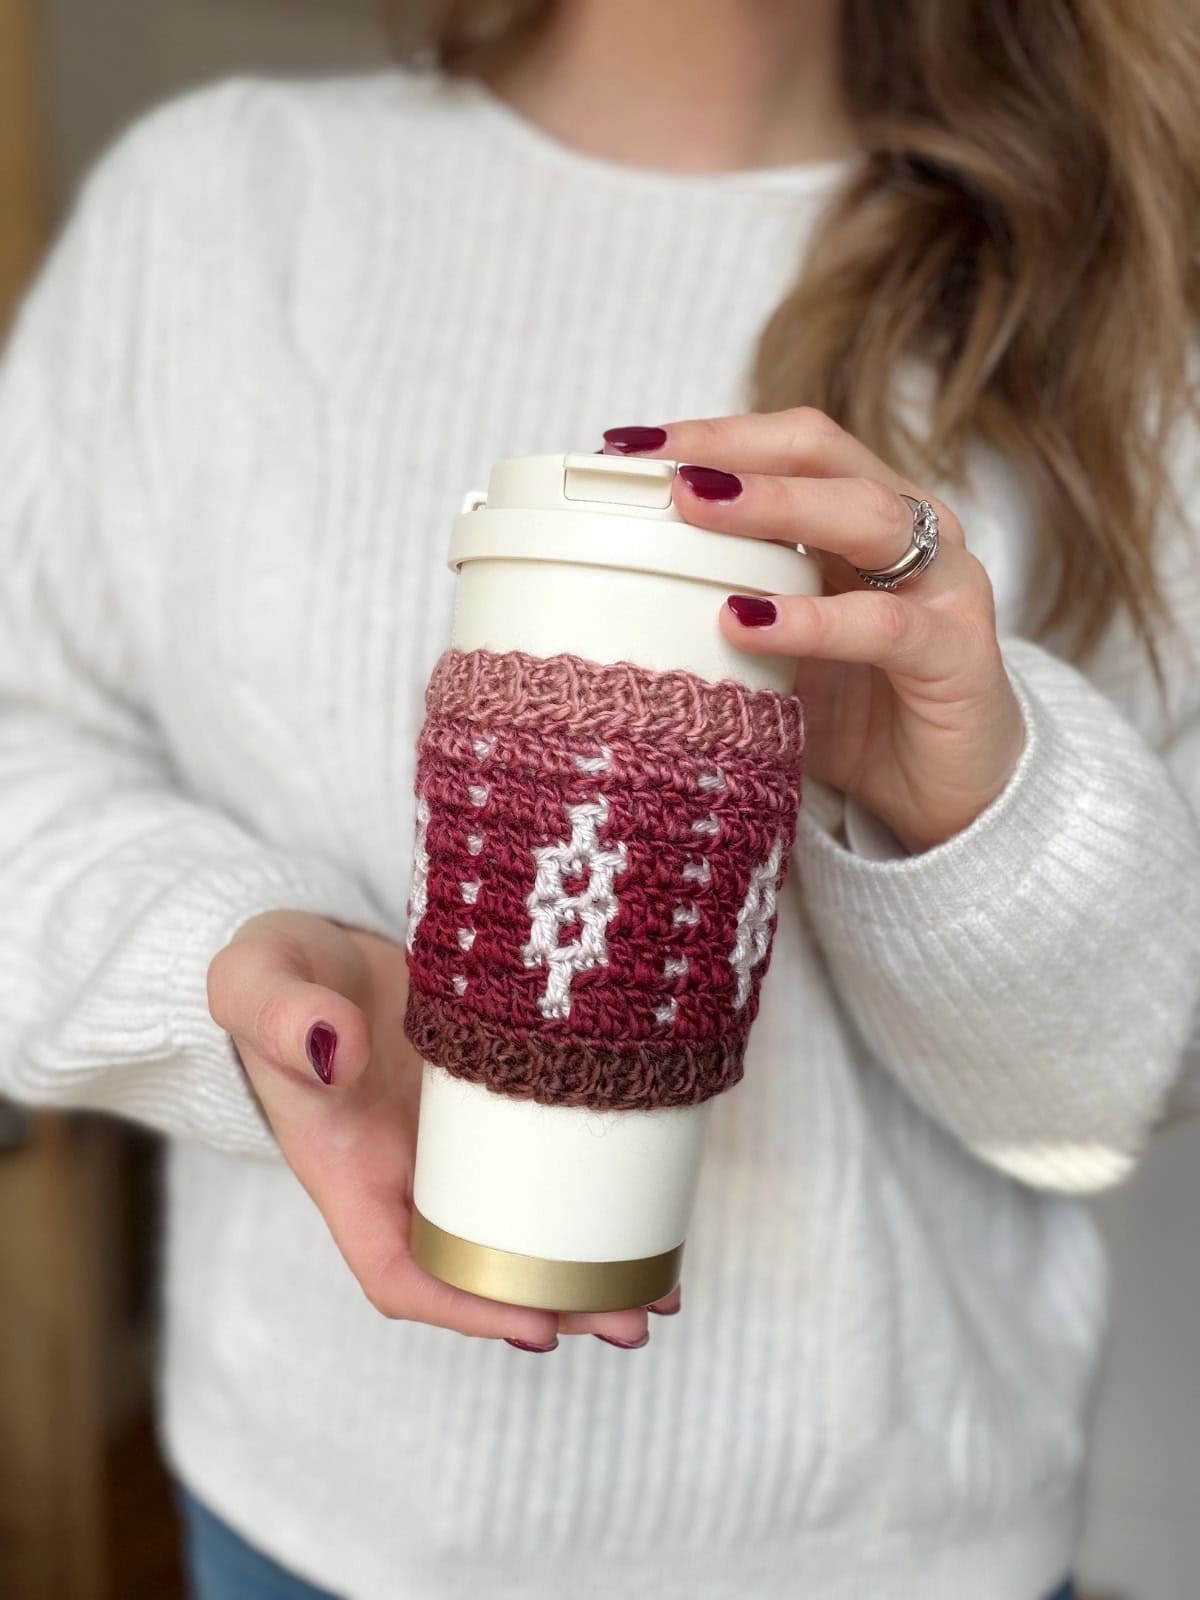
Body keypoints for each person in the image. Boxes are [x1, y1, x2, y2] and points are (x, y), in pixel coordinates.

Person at [1, 0, 1197, 1594]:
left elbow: (1124, 1080)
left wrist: (980, 812)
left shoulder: (1110, 287)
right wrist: (220, 949)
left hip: (883, 1550)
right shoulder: (218, 207)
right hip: (313, 1511)